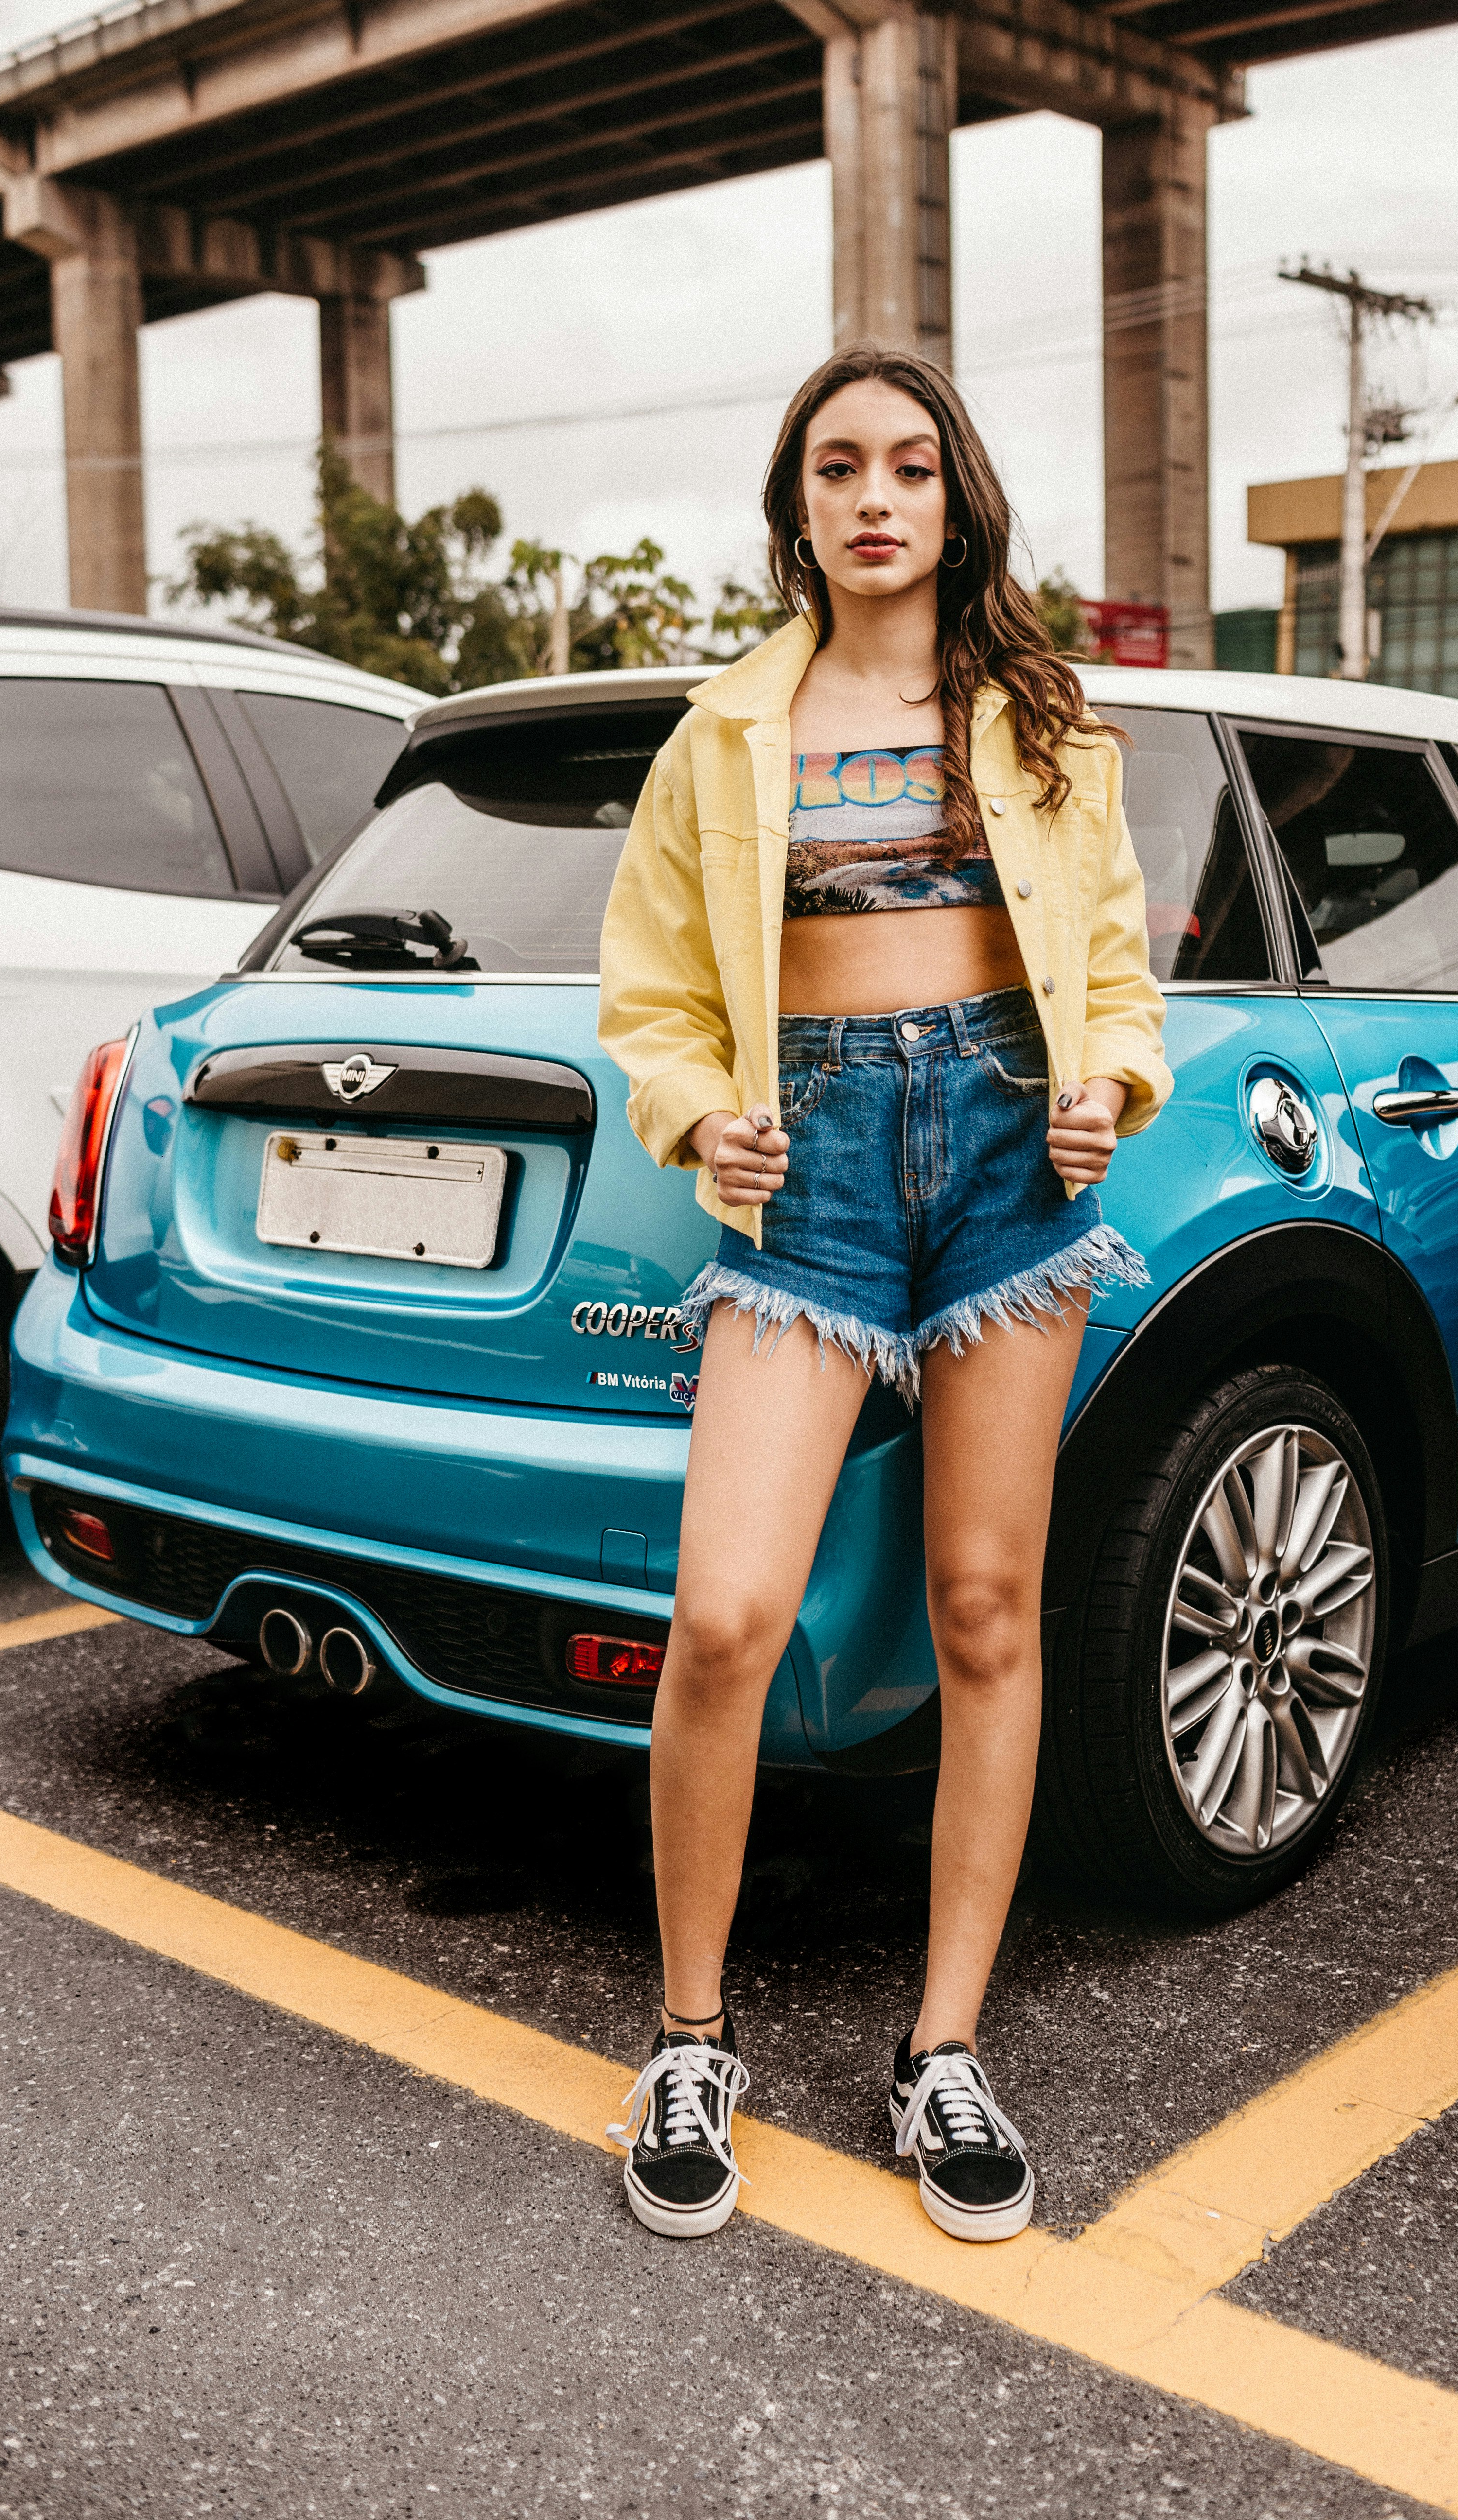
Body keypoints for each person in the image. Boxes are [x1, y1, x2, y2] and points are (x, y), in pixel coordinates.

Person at [598, 346, 1171, 2244]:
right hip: (813, 1182)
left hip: (1015, 1164)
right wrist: (701, 1120)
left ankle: (941, 2050)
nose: (873, 499)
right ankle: (690, 2036)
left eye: (907, 468)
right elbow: (653, 999)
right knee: (723, 1614)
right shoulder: (723, 734)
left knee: (986, 1609)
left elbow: (1108, 962)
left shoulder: (1047, 720)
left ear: (952, 498)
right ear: (796, 509)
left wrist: (1109, 1084)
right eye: (837, 468)